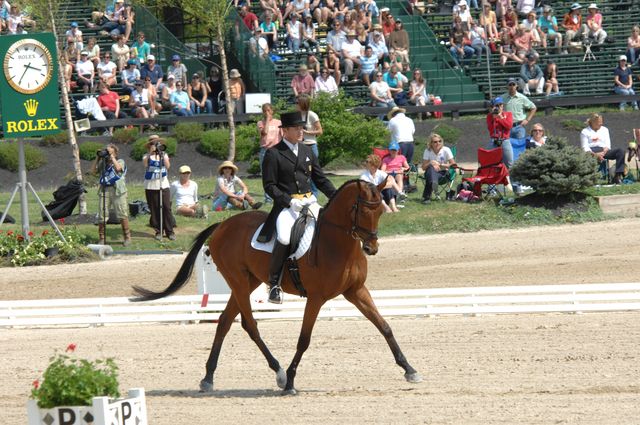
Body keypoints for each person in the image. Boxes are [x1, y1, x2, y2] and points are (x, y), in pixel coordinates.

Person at [257, 111, 337, 304]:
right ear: (285, 131)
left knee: (332, 228)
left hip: (309, 202)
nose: (301, 131)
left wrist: (336, 196)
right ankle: (274, 284)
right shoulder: (273, 153)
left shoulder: (307, 150)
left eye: (302, 127)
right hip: (288, 207)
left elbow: (320, 178)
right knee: (284, 237)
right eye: (297, 128)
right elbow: (269, 185)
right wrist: (288, 201)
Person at [92, 143, 131, 246]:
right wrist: (98, 158)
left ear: (115, 153)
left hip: (118, 190)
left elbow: (118, 169)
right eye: (107, 152)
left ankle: (127, 237)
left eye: (110, 152)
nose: (108, 154)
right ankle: (101, 238)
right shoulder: (103, 163)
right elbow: (93, 171)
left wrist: (112, 157)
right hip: (105, 190)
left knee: (122, 213)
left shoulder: (120, 161)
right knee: (102, 214)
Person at [143, 135, 176, 240]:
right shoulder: (146, 156)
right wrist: (150, 153)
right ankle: (158, 231)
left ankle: (170, 231)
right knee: (154, 208)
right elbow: (145, 165)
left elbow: (168, 166)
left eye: (157, 143)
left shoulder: (164, 155)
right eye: (153, 143)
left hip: (163, 184)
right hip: (151, 186)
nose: (156, 145)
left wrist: (161, 154)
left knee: (166, 207)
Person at [580, 113, 625, 184]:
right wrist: (595, 155)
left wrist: (603, 152)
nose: (601, 124)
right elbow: (585, 148)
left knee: (620, 151)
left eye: (601, 122)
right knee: (588, 152)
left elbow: (607, 144)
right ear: (593, 122)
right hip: (592, 151)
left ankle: (617, 176)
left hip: (604, 150)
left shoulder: (605, 129)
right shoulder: (585, 131)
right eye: (599, 123)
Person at [421, 133, 456, 204]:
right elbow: (423, 167)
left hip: (443, 174)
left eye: (440, 141)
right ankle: (434, 184)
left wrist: (440, 165)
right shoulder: (427, 151)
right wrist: (431, 162)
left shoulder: (446, 150)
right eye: (435, 142)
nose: (438, 143)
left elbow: (454, 165)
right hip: (431, 173)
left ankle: (426, 198)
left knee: (430, 175)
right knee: (430, 168)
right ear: (431, 143)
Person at [257, 103, 282, 203]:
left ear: (272, 111)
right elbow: (264, 133)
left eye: (268, 110)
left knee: (279, 173)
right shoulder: (260, 123)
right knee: (266, 174)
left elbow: (283, 136)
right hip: (265, 150)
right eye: (264, 111)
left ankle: (279, 195)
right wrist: (267, 120)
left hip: (277, 150)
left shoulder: (278, 122)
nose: (267, 113)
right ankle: (268, 198)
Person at [486, 96, 514, 167]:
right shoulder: (490, 116)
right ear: (493, 106)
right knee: (490, 163)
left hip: (505, 141)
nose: (499, 107)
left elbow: (509, 126)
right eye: (497, 105)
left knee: (509, 164)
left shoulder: (508, 114)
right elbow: (491, 129)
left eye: (500, 105)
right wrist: (494, 117)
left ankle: (509, 178)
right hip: (493, 141)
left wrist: (500, 118)